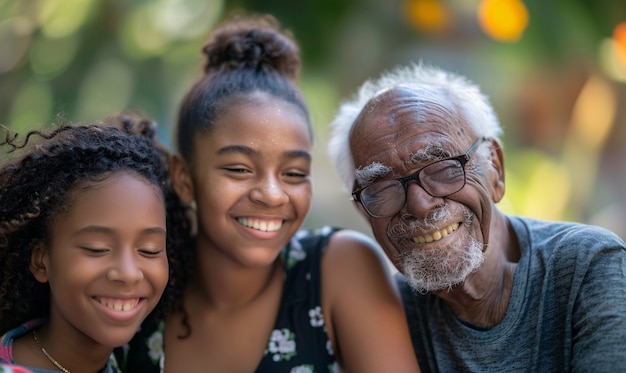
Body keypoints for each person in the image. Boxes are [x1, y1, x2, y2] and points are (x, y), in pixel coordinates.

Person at [115, 14, 420, 373]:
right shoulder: (139, 294)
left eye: (294, 173)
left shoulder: (337, 268)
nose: (272, 195)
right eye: (239, 169)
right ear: (184, 178)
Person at [327, 62, 626, 372]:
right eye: (384, 187)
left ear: (494, 169)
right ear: (363, 210)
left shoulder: (587, 265)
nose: (419, 205)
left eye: (442, 167)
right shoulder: (384, 321)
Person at [0, 114, 188, 373]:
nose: (128, 273)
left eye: (149, 250)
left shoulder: (132, 357)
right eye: (97, 248)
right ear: (41, 260)